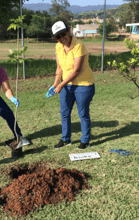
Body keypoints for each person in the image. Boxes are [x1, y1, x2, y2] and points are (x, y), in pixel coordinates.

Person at [46, 21, 95, 150]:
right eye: (58, 37)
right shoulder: (58, 47)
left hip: (83, 85)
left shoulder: (79, 46)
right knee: (65, 113)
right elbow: (59, 68)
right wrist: (55, 84)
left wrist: (61, 84)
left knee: (83, 113)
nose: (62, 39)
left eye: (63, 34)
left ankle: (85, 140)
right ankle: (65, 139)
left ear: (68, 31)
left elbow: (76, 71)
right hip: (66, 85)